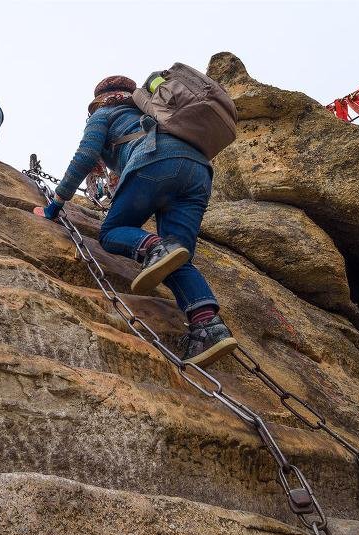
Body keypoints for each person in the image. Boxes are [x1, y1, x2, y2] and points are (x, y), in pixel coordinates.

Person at [33, 75, 237, 367]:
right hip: (199, 173)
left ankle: (154, 247)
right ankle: (208, 326)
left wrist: (55, 205)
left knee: (113, 232)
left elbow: (85, 154)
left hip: (156, 160)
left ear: (100, 99)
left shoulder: (105, 113)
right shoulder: (154, 112)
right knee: (177, 255)